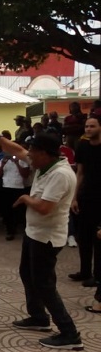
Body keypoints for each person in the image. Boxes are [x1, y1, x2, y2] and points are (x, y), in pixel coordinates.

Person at [0, 126, 83, 350]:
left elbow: (45, 207)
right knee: (27, 274)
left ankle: (69, 333)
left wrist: (25, 198)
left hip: (47, 237)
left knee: (45, 284)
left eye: (32, 152)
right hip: (34, 232)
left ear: (44, 153)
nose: (29, 156)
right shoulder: (44, 163)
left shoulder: (61, 175)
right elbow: (16, 150)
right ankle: (38, 317)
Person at [69, 116, 101, 287]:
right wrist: (74, 197)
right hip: (85, 196)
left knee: (99, 238)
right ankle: (84, 271)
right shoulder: (82, 146)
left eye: (92, 126)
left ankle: (98, 276)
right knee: (84, 236)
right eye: (87, 126)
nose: (88, 129)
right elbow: (80, 173)